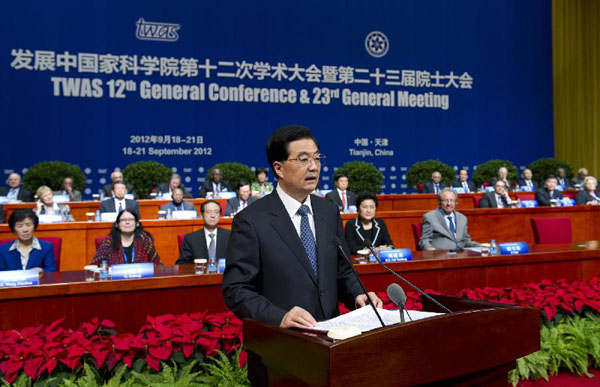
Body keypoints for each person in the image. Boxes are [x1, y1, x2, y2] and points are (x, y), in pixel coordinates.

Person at [222, 125, 381, 385]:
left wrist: (358, 295)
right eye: (303, 159)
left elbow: (342, 270)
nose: (314, 167)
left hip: (330, 346)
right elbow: (236, 289)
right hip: (280, 354)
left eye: (317, 158)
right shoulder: (251, 221)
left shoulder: (328, 212)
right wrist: (279, 317)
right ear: (278, 168)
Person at [92, 209, 161, 265]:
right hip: (116, 280)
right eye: (123, 220)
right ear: (117, 224)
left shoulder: (144, 239)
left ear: (136, 223)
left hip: (141, 279)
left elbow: (156, 263)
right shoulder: (110, 241)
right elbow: (95, 264)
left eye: (131, 219)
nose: (127, 222)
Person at [176, 200, 230, 264]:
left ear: (220, 216)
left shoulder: (230, 236)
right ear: (202, 216)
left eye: (216, 212)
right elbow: (182, 264)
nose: (213, 215)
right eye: (209, 212)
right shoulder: (191, 239)